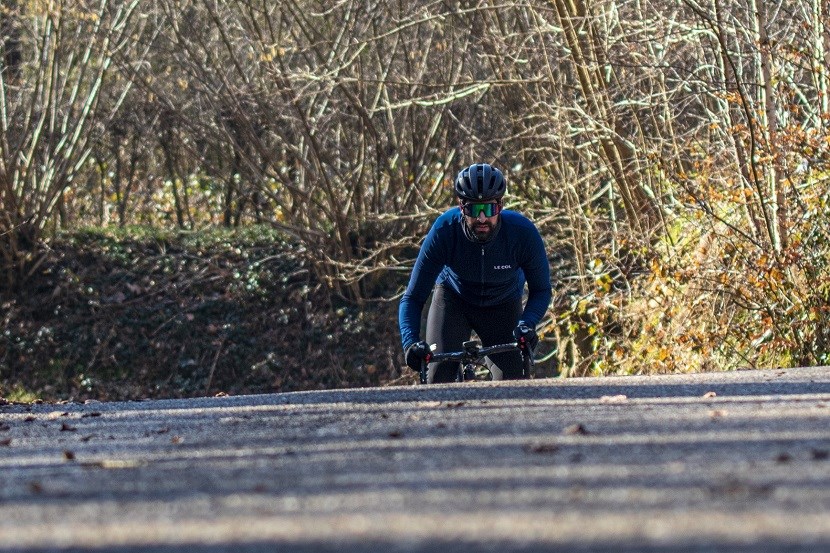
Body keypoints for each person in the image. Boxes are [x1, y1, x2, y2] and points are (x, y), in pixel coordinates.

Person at [399, 163, 552, 383]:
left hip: (503, 304)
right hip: (454, 301)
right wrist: (411, 344)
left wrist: (527, 323)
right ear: (461, 207)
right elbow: (412, 297)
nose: (482, 218)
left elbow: (541, 289)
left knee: (514, 384)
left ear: (500, 206)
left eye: (489, 209)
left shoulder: (522, 234)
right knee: (437, 378)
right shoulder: (444, 231)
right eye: (473, 209)